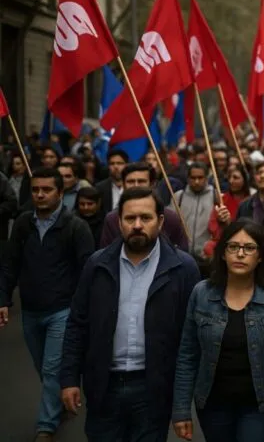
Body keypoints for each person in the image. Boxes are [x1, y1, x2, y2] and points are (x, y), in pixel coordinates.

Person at [59, 187, 200, 441]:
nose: (137, 225)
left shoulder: (183, 268)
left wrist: (181, 401)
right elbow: (78, 324)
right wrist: (69, 378)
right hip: (104, 387)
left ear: (160, 221)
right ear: (118, 222)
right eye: (129, 218)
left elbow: (190, 339)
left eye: (145, 218)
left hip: (153, 389)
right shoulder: (97, 264)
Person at [172, 220, 264, 441]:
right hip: (213, 404)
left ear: (260, 256)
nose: (240, 254)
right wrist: (181, 409)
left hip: (261, 405)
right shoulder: (201, 294)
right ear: (222, 253)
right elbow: (187, 355)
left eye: (249, 248)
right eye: (233, 247)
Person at [0, 167, 94, 441]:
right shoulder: (22, 223)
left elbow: (86, 270)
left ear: (60, 193)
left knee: (52, 368)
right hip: (30, 310)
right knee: (44, 367)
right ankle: (64, 393)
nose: (40, 195)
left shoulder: (76, 227)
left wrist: (81, 308)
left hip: (62, 311)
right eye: (36, 190)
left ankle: (45, 427)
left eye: (47, 190)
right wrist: (3, 299)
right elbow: (10, 264)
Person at [100, 162, 189, 251]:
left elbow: (181, 255)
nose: (136, 186)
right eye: (130, 182)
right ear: (123, 184)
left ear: (152, 184)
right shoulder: (112, 219)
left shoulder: (170, 218)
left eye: (141, 181)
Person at [204, 164, 252, 258]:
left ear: (245, 180)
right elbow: (212, 226)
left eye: (236, 178)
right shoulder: (222, 200)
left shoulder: (251, 202)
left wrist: (230, 224)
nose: (231, 181)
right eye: (229, 177)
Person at [174, 162, 216, 260]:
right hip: (182, 256)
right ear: (188, 179)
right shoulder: (178, 197)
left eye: (200, 177)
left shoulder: (216, 196)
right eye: (193, 178)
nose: (196, 181)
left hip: (206, 257)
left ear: (206, 178)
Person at [95, 149, 128, 213]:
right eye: (112, 163)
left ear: (126, 165)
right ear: (108, 166)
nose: (115, 166)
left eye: (120, 163)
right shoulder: (99, 188)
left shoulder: (133, 185)